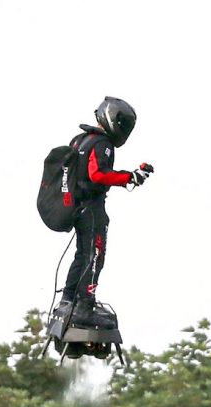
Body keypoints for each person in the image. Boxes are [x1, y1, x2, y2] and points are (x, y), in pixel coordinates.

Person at [54, 96, 153, 329]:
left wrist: (130, 175)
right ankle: (84, 307)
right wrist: (128, 177)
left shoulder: (81, 139)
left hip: (77, 207)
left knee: (82, 254)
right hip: (91, 209)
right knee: (95, 255)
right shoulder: (102, 143)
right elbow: (97, 173)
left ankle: (67, 302)